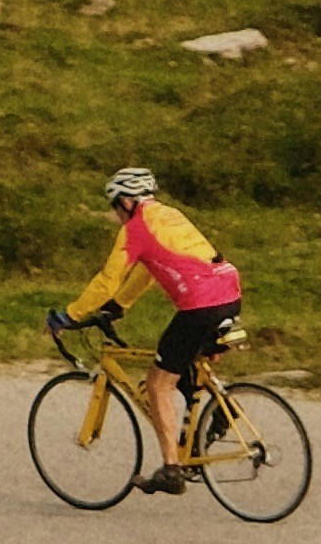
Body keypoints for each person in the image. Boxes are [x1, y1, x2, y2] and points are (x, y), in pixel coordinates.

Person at [64, 158, 245, 475]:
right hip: (230, 295)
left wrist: (69, 315)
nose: (117, 216)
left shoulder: (136, 228)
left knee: (158, 382)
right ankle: (221, 412)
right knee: (182, 362)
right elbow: (148, 269)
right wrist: (119, 306)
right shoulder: (170, 215)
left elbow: (108, 278)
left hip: (200, 306)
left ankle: (171, 469)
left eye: (116, 208)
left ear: (125, 201)